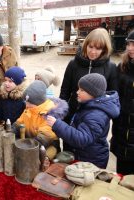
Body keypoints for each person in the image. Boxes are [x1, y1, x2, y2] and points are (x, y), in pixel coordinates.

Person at [59, 28, 118, 151]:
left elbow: (112, 97)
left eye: (98, 48)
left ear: (104, 49)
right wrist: (61, 113)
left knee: (90, 155)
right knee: (69, 154)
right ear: (86, 45)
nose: (93, 51)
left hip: (94, 121)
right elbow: (64, 91)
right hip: (72, 116)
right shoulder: (73, 64)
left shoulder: (111, 67)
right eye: (90, 47)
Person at [47, 73, 120, 169]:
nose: (77, 92)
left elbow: (82, 139)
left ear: (93, 93)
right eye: (78, 88)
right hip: (83, 155)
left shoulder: (96, 115)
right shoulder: (90, 105)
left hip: (90, 162)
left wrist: (57, 124)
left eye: (82, 90)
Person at [13, 80, 68, 159]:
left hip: (47, 146)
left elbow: (43, 139)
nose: (26, 105)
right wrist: (12, 131)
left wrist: (24, 146)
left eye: (29, 103)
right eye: (26, 102)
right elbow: (19, 123)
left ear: (39, 102)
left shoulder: (51, 114)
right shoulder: (30, 109)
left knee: (39, 159)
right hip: (31, 142)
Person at [111, 30, 134, 175]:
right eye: (129, 44)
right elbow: (114, 95)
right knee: (121, 177)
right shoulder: (122, 67)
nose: (130, 48)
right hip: (121, 129)